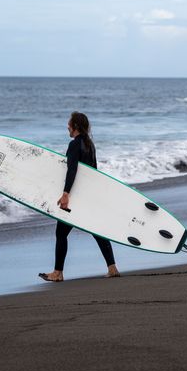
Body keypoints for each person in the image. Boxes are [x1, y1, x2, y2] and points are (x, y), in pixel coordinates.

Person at [39, 112, 120, 282]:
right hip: (88, 195)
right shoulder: (89, 144)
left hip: (75, 196)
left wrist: (66, 194)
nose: (67, 126)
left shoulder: (75, 144)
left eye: (69, 124)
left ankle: (58, 273)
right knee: (97, 230)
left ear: (75, 126)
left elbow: (72, 170)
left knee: (61, 233)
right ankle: (112, 268)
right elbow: (94, 172)